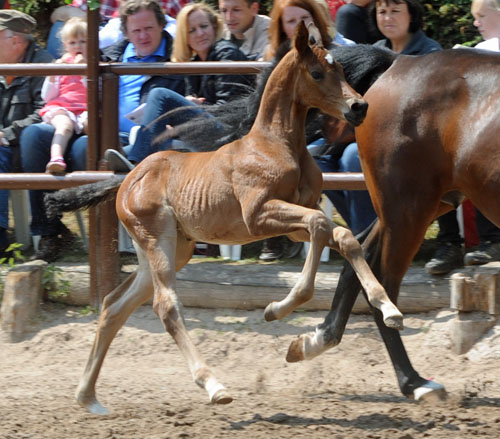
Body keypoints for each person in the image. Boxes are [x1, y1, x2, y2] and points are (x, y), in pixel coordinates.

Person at [20, 0, 184, 262]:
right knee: (33, 137)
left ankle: (106, 243)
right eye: (136, 30)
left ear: (162, 25)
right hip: (89, 124)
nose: (142, 36)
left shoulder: (178, 57)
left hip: (135, 138)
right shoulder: (110, 55)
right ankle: (49, 232)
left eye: (149, 29)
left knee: (85, 148)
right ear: (126, 31)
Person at [108, 2, 250, 165]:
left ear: (214, 27)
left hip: (230, 137)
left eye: (204, 26)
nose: (200, 33)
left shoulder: (226, 53)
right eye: (192, 30)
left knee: (160, 95)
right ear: (185, 36)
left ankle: (135, 165)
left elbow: (228, 111)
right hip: (204, 133)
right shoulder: (193, 62)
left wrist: (194, 107)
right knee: (132, 149)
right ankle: (123, 169)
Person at [425, 0, 500, 275]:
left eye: (481, 16)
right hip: (483, 132)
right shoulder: (478, 52)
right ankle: (450, 242)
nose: (476, 23)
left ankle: (491, 240)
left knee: (476, 155)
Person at [0, 10, 53, 255]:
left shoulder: (43, 66)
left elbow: (45, 112)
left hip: (29, 149)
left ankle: (0, 238)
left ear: (16, 41)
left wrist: (8, 134)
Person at [40, 18, 88, 174]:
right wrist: (52, 77)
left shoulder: (94, 64)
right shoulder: (61, 64)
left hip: (85, 108)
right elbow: (47, 97)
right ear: (65, 45)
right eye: (73, 43)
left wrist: (83, 73)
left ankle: (113, 154)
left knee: (92, 123)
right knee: (64, 126)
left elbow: (98, 92)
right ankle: (56, 158)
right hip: (63, 107)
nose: (78, 46)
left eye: (83, 41)